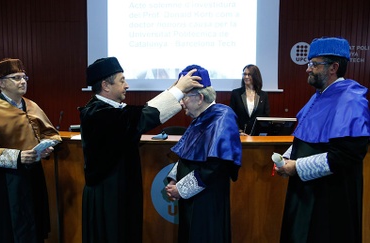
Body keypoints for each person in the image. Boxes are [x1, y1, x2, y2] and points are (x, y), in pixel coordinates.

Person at [79, 57, 203, 243]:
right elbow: (142, 117)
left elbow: (139, 113)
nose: (127, 85)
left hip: (117, 190)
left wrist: (174, 88)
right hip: (108, 196)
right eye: (122, 80)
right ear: (105, 85)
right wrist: (178, 91)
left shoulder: (109, 110)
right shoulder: (98, 113)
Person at [275, 37, 370, 243]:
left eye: (314, 64)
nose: (308, 69)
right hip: (306, 192)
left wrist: (297, 167)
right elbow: (305, 138)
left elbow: (345, 156)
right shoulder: (319, 95)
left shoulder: (351, 99)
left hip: (329, 197)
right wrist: (286, 157)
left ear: (333, 67)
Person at [0, 58, 62, 243]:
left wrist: (45, 149)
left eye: (24, 77)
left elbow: (51, 134)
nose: (22, 81)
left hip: (32, 175)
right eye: (16, 77)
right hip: (2, 181)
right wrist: (19, 157)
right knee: (5, 231)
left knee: (33, 226)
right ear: (1, 82)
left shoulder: (31, 105)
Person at [165, 65, 242, 243]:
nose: (181, 102)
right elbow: (187, 153)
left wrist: (181, 189)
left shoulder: (223, 117)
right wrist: (173, 179)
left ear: (200, 98)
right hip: (190, 198)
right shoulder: (199, 116)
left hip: (207, 201)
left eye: (184, 97)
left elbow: (214, 167)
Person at [229, 64, 270, 135]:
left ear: (255, 76)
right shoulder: (236, 93)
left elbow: (266, 116)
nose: (246, 77)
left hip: (257, 136)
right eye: (244, 74)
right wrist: (239, 131)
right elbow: (231, 115)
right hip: (240, 135)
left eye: (249, 74)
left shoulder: (263, 95)